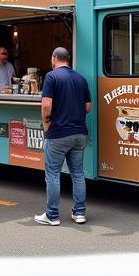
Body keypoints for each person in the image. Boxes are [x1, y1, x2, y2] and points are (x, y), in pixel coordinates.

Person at [34, 46, 91, 227]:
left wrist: (46, 124)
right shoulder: (80, 79)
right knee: (77, 174)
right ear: (68, 60)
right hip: (80, 133)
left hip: (58, 133)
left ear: (54, 59)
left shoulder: (51, 77)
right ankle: (79, 213)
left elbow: (46, 105)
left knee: (52, 174)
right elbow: (88, 107)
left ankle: (52, 215)